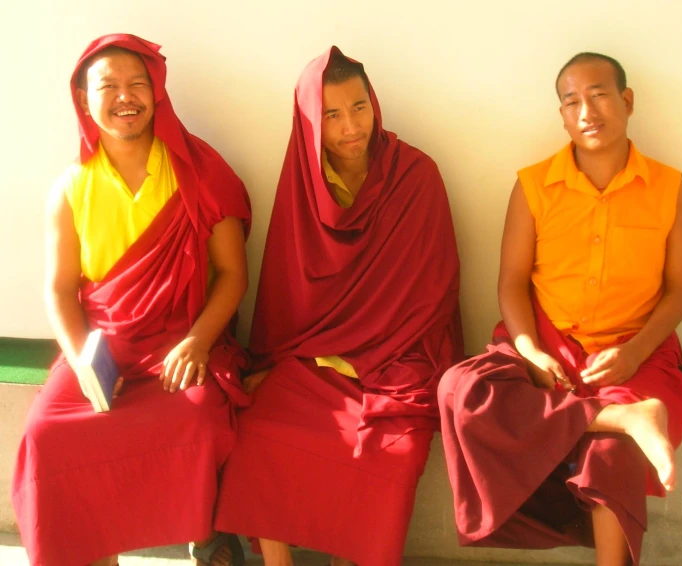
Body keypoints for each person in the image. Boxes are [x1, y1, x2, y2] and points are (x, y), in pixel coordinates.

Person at [438, 52, 682, 566]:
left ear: (626, 100)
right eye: (571, 101)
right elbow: (510, 283)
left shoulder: (668, 187)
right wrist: (530, 350)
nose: (587, 111)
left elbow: (681, 290)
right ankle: (621, 417)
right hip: (547, 340)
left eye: (599, 95)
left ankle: (624, 429)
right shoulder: (534, 185)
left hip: (635, 351)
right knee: (461, 390)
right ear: (560, 115)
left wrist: (635, 351)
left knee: (611, 456)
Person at [213, 47, 464, 566]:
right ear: (309, 124)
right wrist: (283, 363)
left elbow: (432, 294)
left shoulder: (416, 176)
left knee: (390, 455)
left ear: (375, 105)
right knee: (260, 432)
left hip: (396, 359)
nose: (351, 126)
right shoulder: (304, 185)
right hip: (312, 360)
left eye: (359, 107)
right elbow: (290, 296)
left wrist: (360, 356)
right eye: (331, 115)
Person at [11, 34, 252, 566]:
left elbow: (233, 275)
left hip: (180, 342)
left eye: (137, 83)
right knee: (48, 435)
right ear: (82, 98)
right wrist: (81, 362)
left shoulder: (199, 170)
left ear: (157, 92)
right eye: (109, 86)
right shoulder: (71, 187)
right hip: (105, 348)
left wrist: (197, 342)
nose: (126, 97)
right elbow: (59, 288)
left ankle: (203, 533)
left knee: (196, 420)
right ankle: (89, 551)